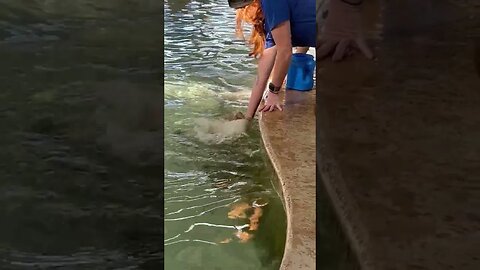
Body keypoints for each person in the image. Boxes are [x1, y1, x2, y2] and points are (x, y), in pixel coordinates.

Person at [229, 0, 316, 120]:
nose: (244, 13)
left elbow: (285, 53)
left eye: (244, 8)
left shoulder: (272, 2)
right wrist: (247, 119)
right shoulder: (271, 26)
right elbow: (261, 78)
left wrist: (274, 92)